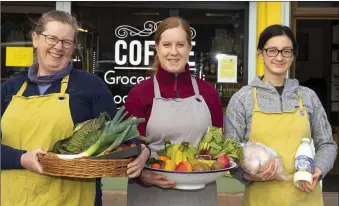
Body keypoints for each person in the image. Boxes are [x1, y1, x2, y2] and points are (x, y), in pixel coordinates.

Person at [1, 10, 148, 206]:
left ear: (73, 47)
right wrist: (21, 158)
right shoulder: (9, 89)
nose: (58, 47)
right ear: (35, 39)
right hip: (14, 199)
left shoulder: (91, 86)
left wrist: (141, 151)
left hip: (73, 200)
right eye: (51, 38)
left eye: (66, 42)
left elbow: (121, 137)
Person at [224, 24, 338, 206]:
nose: (279, 57)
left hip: (305, 197)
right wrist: (248, 175)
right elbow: (230, 155)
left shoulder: (308, 97)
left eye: (286, 51)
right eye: (272, 50)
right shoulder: (242, 99)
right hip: (260, 199)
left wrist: (318, 169)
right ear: (260, 54)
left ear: (293, 56)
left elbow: (327, 144)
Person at [124, 16, 224, 206]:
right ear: (157, 48)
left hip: (200, 194)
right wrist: (142, 176)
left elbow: (218, 144)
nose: (173, 52)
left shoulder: (208, 93)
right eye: (167, 45)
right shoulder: (139, 94)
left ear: (189, 48)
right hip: (149, 195)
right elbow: (128, 147)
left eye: (180, 45)